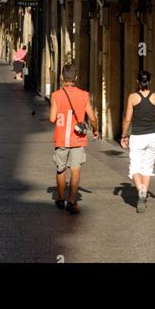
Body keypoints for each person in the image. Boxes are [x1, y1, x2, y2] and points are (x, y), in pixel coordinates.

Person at [49, 63, 98, 214]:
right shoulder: (84, 95)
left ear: (62, 77)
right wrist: (95, 130)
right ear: (76, 78)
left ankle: (60, 197)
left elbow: (52, 118)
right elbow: (92, 117)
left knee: (60, 168)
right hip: (78, 138)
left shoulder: (56, 95)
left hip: (61, 138)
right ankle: (72, 201)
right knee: (75, 169)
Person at [121, 70, 155, 213]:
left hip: (138, 137)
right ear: (150, 81)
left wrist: (124, 135)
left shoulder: (133, 97)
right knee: (147, 168)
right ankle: (143, 195)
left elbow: (128, 119)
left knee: (135, 168)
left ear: (137, 81)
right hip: (153, 136)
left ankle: (141, 190)